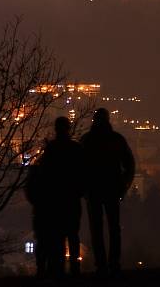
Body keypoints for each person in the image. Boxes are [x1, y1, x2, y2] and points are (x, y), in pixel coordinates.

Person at [81, 108, 135, 277]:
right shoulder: (116, 139)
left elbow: (78, 168)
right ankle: (114, 263)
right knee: (114, 228)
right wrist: (124, 185)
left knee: (97, 229)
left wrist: (84, 188)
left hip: (94, 190)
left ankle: (101, 264)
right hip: (111, 189)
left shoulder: (87, 140)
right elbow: (129, 164)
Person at [37, 116, 86, 277]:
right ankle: (74, 267)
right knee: (73, 234)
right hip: (72, 198)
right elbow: (83, 173)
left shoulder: (51, 149)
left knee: (57, 235)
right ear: (68, 129)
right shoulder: (75, 148)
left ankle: (57, 268)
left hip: (56, 199)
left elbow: (44, 174)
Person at [25, 156, 54, 278]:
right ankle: (51, 269)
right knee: (52, 241)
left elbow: (29, 191)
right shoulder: (54, 174)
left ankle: (41, 268)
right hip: (52, 212)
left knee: (42, 241)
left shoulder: (35, 174)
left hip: (40, 211)